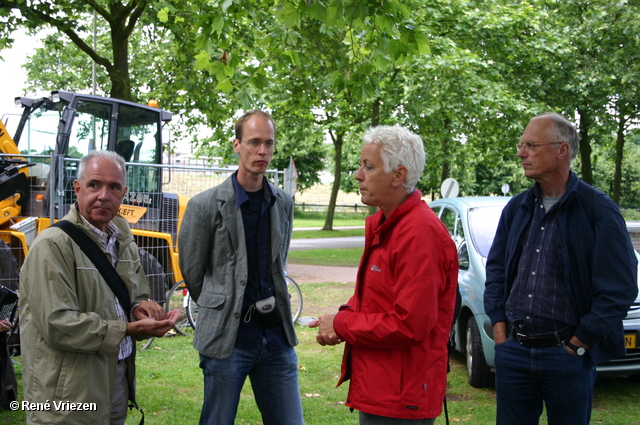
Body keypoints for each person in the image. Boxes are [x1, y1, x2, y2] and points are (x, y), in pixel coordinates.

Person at [484, 112, 638, 425]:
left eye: (531, 145)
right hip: (513, 350)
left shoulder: (597, 209)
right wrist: (500, 328)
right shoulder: (517, 208)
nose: (521, 152)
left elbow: (620, 286)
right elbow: (497, 270)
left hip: (566, 355)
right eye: (521, 144)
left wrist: (580, 340)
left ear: (562, 150)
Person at [309, 125, 459, 424]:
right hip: (383, 386)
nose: (358, 175)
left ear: (398, 175)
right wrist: (344, 317)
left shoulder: (418, 233)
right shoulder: (387, 224)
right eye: (360, 165)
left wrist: (342, 322)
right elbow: (377, 299)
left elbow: (410, 323)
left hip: (402, 396)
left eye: (368, 166)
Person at [19, 150, 179, 425]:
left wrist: (142, 308)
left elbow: (133, 295)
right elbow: (58, 324)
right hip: (67, 394)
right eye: (94, 184)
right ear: (78, 188)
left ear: (124, 193)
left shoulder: (122, 238)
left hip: (115, 378)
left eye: (114, 187)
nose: (104, 195)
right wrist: (129, 329)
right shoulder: (52, 245)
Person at [178, 110, 303, 425]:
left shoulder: (283, 202)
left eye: (268, 144)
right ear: (237, 144)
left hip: (276, 338)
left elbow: (278, 263)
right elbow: (192, 273)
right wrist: (221, 302)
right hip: (227, 340)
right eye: (254, 142)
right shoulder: (204, 205)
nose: (262, 152)